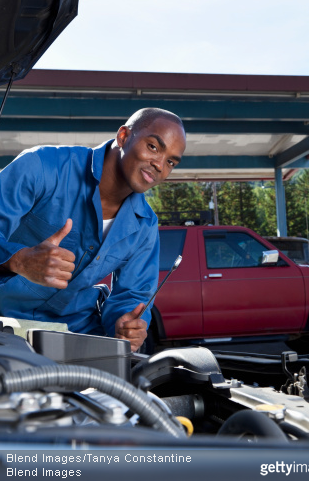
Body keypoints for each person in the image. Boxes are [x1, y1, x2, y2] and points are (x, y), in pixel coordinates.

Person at [0, 108, 186, 351]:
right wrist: (19, 260)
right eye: (153, 147)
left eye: (171, 161)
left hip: (75, 333)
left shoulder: (144, 225)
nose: (160, 165)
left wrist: (125, 325)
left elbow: (132, 297)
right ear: (123, 137)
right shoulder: (42, 168)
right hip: (5, 322)